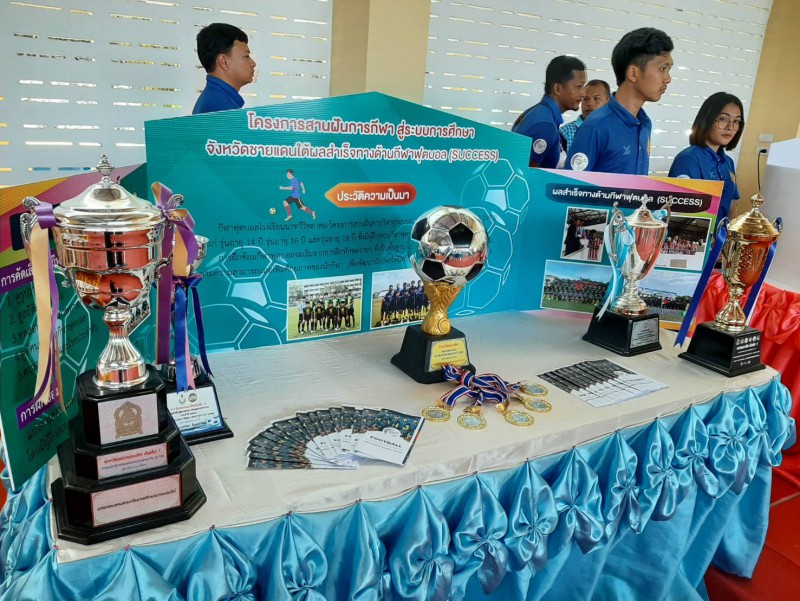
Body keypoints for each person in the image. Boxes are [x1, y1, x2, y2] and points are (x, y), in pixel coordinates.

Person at [567, 28, 673, 175]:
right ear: (633, 73)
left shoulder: (644, 123)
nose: (668, 79)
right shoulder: (595, 127)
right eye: (662, 69)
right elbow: (570, 186)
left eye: (669, 69)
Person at [668, 92, 744, 221]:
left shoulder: (728, 162)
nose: (730, 127)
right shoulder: (689, 159)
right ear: (707, 120)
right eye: (723, 119)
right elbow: (681, 214)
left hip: (722, 233)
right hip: (695, 233)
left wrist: (729, 232)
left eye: (736, 121)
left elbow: (731, 207)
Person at [512, 56, 587, 168]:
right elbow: (526, 174)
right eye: (579, 86)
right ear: (557, 88)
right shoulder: (545, 125)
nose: (583, 94)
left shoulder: (537, 113)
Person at [192, 23, 256, 115]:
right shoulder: (221, 110)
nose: (253, 63)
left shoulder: (213, 99)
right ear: (224, 61)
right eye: (246, 56)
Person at [560, 80, 610, 154]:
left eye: (596, 98)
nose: (590, 103)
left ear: (608, 102)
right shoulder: (565, 133)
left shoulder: (616, 132)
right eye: (586, 99)